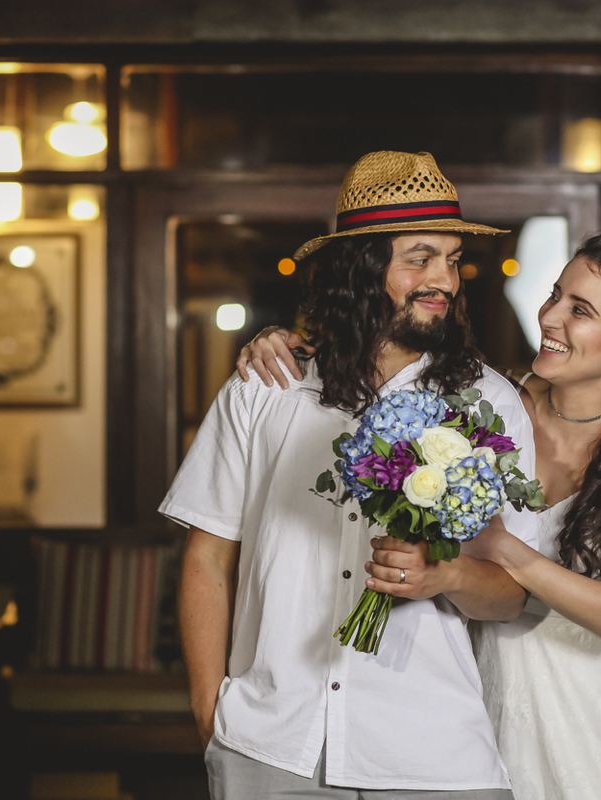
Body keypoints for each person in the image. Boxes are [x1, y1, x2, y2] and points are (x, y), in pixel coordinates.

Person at [240, 233, 601, 800]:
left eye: (579, 310)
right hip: (489, 689)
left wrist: (505, 549)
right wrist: (278, 342)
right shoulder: (493, 402)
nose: (550, 316)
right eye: (556, 295)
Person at [162, 150, 538, 800]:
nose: (443, 279)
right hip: (268, 747)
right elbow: (206, 561)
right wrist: (212, 717)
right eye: (420, 258)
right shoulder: (265, 385)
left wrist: (442, 575)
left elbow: (516, 594)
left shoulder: (488, 403)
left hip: (432, 757)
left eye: (453, 260)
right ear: (361, 270)